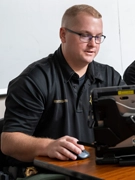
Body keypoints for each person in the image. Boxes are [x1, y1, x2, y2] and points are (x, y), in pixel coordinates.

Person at [1, 4, 125, 179]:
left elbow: (125, 123)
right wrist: (47, 146)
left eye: (98, 37)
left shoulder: (110, 77)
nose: (93, 44)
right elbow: (9, 142)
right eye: (85, 35)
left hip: (96, 167)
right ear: (63, 35)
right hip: (48, 172)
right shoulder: (34, 79)